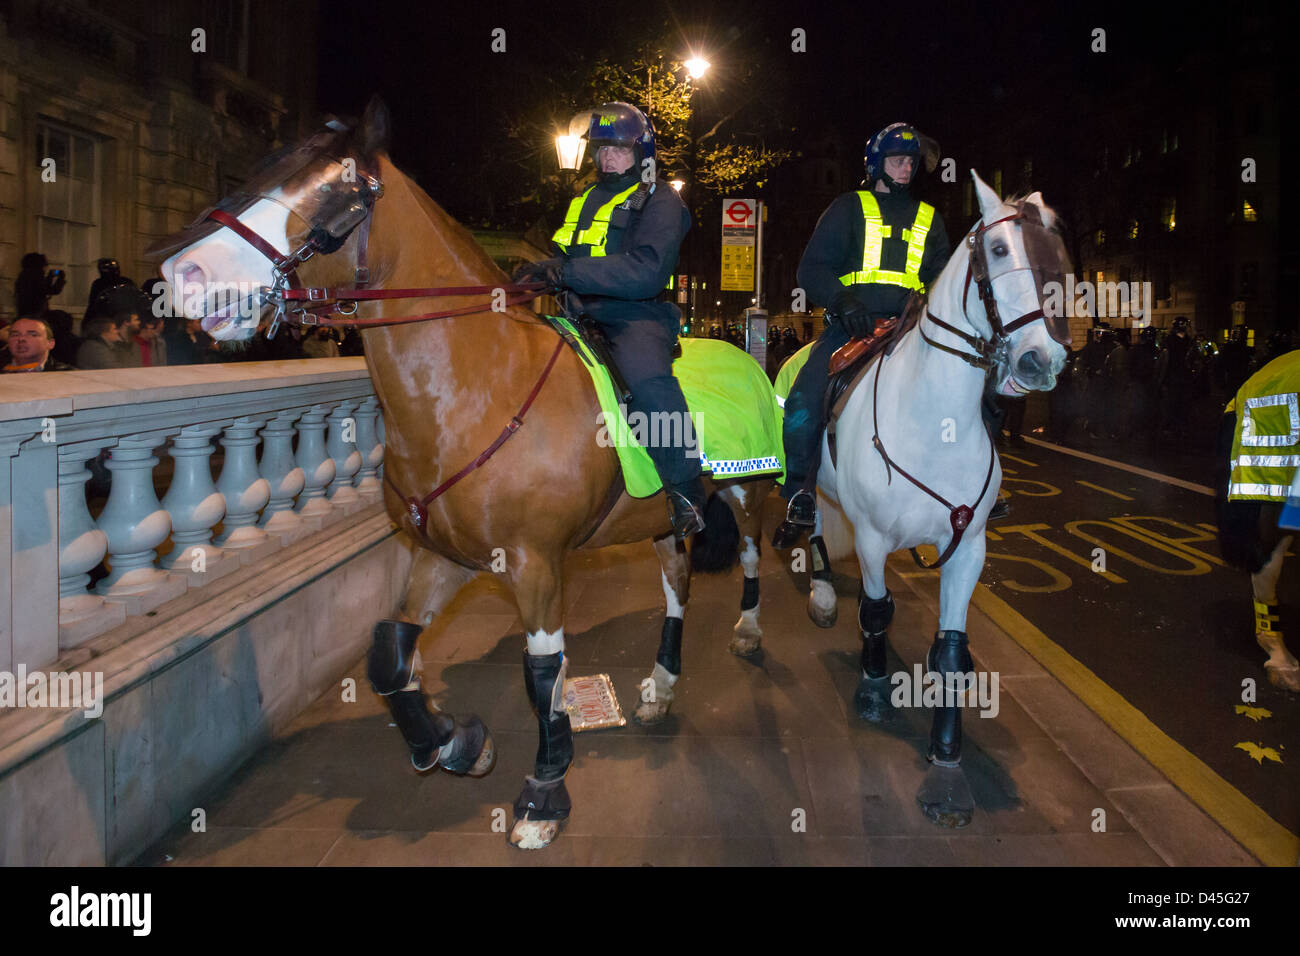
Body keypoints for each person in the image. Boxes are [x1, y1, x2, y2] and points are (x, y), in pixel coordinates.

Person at [512, 102, 702, 539]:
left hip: (633, 316)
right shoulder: (584, 198)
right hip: (575, 313)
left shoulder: (660, 199)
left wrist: (568, 272)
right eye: (601, 149)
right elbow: (565, 254)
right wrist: (536, 272)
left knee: (647, 384)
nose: (607, 158)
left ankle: (685, 487)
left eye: (617, 149)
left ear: (642, 151)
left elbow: (647, 270)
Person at [772, 122, 950, 547]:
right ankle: (799, 494)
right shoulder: (848, 208)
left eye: (910, 161)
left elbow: (942, 276)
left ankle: (977, 486)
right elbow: (811, 269)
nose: (905, 168)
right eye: (897, 160)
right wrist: (843, 302)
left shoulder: (931, 219)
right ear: (876, 164)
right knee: (802, 400)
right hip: (854, 327)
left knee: (968, 386)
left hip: (912, 329)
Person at [3, 317, 75, 372]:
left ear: (50, 344)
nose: (21, 339)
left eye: (32, 335)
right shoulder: (3, 369)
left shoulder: (68, 375)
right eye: (15, 335)